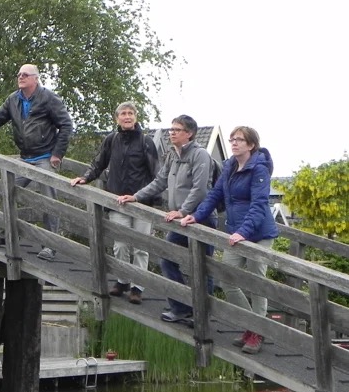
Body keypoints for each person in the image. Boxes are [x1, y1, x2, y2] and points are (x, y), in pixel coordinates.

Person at [0, 64, 74, 261]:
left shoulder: (48, 98)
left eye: (25, 75)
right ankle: (5, 235)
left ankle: (51, 245)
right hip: (24, 158)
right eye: (19, 74)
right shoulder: (13, 100)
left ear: (35, 79)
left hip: (45, 157)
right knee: (8, 191)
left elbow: (66, 125)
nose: (20, 77)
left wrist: (57, 153)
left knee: (49, 200)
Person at [181, 126, 278, 354]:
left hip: (259, 235)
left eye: (239, 140)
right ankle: (251, 325)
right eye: (232, 139)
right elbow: (215, 194)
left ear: (251, 145)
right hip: (236, 232)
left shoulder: (259, 169)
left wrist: (243, 232)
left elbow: (258, 205)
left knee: (256, 283)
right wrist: (196, 215)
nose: (234, 143)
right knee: (227, 279)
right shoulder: (229, 166)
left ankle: (257, 332)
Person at [117, 115, 217, 322]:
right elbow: (159, 182)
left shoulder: (200, 156)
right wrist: (136, 196)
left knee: (202, 268)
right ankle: (181, 307)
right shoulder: (173, 155)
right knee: (167, 259)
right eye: (171, 129)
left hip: (200, 219)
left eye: (177, 129)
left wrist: (183, 211)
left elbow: (200, 190)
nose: (172, 132)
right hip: (181, 222)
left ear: (189, 133)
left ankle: (203, 315)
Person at [69, 102, 159, 304]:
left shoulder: (146, 142)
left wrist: (152, 200)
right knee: (120, 245)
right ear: (117, 118)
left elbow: (156, 173)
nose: (127, 117)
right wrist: (85, 178)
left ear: (136, 117)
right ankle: (122, 281)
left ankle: (138, 287)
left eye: (130, 114)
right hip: (117, 200)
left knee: (140, 247)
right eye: (123, 114)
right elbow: (99, 162)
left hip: (141, 202)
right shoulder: (112, 139)